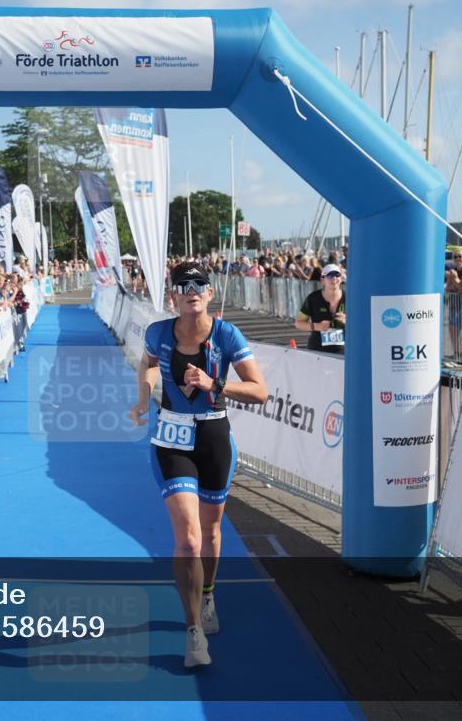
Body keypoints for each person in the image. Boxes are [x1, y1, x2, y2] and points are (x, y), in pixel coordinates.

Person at [130, 263, 267, 669]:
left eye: (199, 284)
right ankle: (193, 631)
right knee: (188, 540)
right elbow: (147, 364)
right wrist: (144, 398)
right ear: (173, 295)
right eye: (183, 285)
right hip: (171, 440)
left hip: (213, 438)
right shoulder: (158, 332)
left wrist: (214, 384)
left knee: (211, 531)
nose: (191, 290)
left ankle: (207, 593)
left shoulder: (226, 335)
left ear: (210, 293)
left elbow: (260, 391)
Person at [295, 263, 346, 354]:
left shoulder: (349, 298)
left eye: (337, 275)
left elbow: (361, 322)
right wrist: (316, 326)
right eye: (330, 275)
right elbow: (298, 323)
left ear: (341, 278)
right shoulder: (313, 298)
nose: (334, 278)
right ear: (323, 280)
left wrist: (347, 321)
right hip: (317, 350)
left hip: (344, 351)